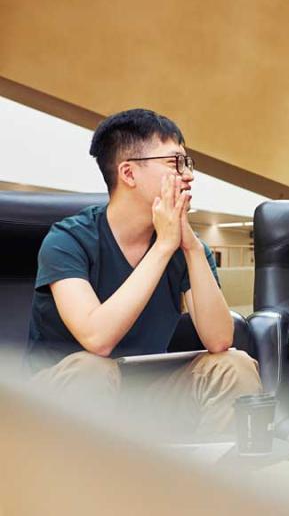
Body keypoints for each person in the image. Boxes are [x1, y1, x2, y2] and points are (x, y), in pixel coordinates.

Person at [27, 108, 262, 434]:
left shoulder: (188, 249)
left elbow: (220, 340)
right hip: (60, 396)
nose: (189, 175)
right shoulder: (68, 240)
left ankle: (210, 480)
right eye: (174, 163)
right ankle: (84, 483)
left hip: (143, 392)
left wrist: (190, 247)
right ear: (128, 173)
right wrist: (164, 246)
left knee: (234, 365)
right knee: (92, 370)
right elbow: (98, 339)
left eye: (187, 163)